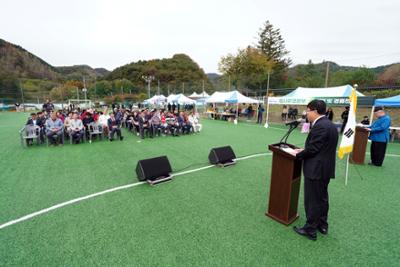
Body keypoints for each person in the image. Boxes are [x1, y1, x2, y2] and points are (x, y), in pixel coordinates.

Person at [292, 100, 339, 241]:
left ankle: (310, 229)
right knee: (322, 198)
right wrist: (304, 150)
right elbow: (321, 147)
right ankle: (322, 224)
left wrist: (298, 154)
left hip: (316, 169)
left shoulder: (320, 126)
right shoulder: (329, 124)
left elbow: (314, 149)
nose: (306, 113)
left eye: (308, 110)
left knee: (312, 200)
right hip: (325, 168)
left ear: (315, 111)